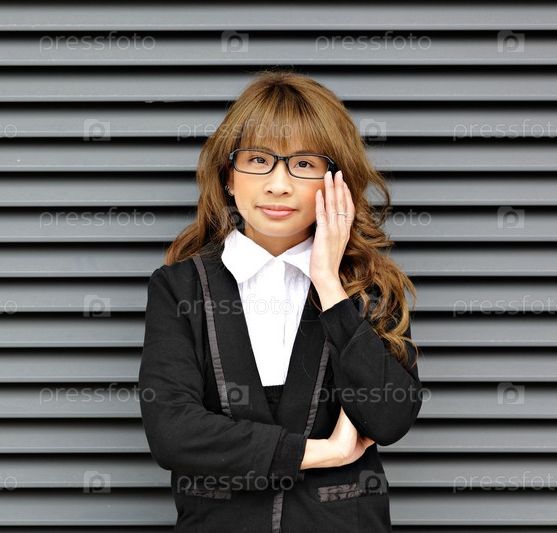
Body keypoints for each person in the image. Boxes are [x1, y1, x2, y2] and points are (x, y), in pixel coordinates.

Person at [138, 71, 423, 532]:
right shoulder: (180, 288)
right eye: (258, 160)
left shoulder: (367, 287)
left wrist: (328, 284)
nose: (278, 184)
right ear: (228, 177)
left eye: (303, 164)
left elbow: (389, 418)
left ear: (335, 183)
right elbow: (173, 431)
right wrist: (322, 452)